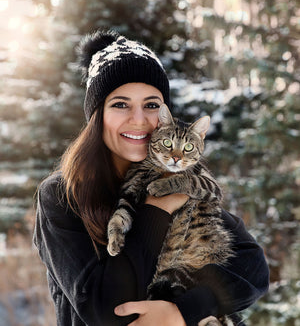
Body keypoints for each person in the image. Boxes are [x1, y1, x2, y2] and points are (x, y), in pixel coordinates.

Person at [33, 30, 269, 326]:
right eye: (120, 104)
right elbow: (104, 309)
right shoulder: (62, 195)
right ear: (97, 114)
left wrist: (184, 311)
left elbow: (253, 267)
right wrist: (157, 209)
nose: (139, 119)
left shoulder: (178, 175)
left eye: (152, 105)